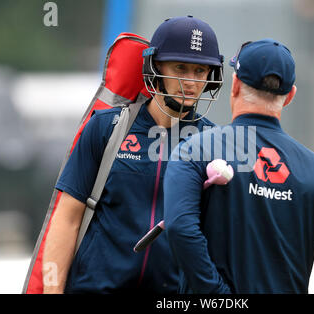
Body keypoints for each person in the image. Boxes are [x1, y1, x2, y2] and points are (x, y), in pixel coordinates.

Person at [163, 39, 314, 293]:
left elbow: (180, 228)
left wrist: (218, 295)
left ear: (236, 84)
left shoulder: (194, 149)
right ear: (290, 96)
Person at [42, 16, 224, 293]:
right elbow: (67, 217)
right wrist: (52, 290)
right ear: (155, 66)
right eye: (180, 68)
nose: (190, 81)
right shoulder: (105, 128)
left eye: (200, 71)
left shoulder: (215, 145)